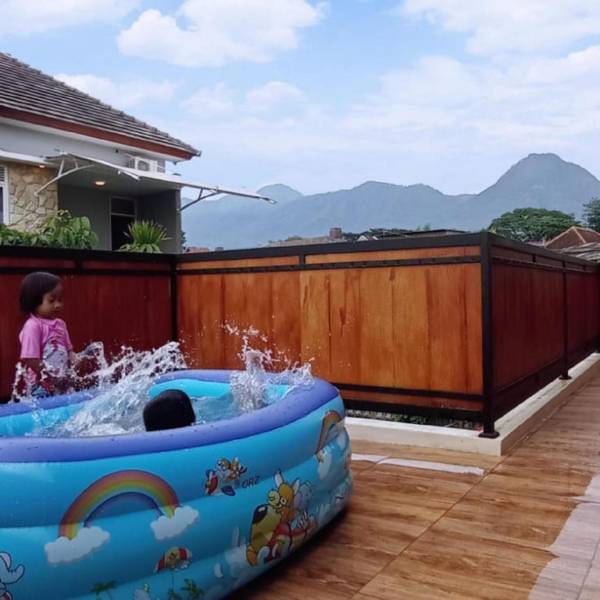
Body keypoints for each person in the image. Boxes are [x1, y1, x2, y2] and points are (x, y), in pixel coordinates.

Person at [17, 272, 76, 399]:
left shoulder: (61, 324)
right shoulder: (33, 326)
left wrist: (76, 361)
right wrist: (52, 377)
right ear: (34, 301)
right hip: (40, 386)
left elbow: (69, 351)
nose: (58, 305)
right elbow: (30, 359)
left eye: (60, 300)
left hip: (62, 384)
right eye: (51, 300)